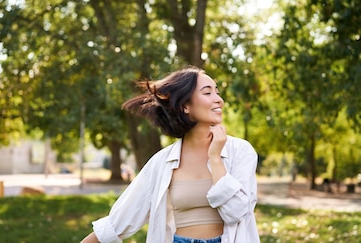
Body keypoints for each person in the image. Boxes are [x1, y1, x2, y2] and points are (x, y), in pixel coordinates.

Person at [80, 66, 260, 243]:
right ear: (185, 106)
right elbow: (119, 220)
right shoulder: (162, 162)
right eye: (208, 93)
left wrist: (215, 159)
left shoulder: (241, 152)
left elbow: (236, 212)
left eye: (217, 92)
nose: (218, 100)